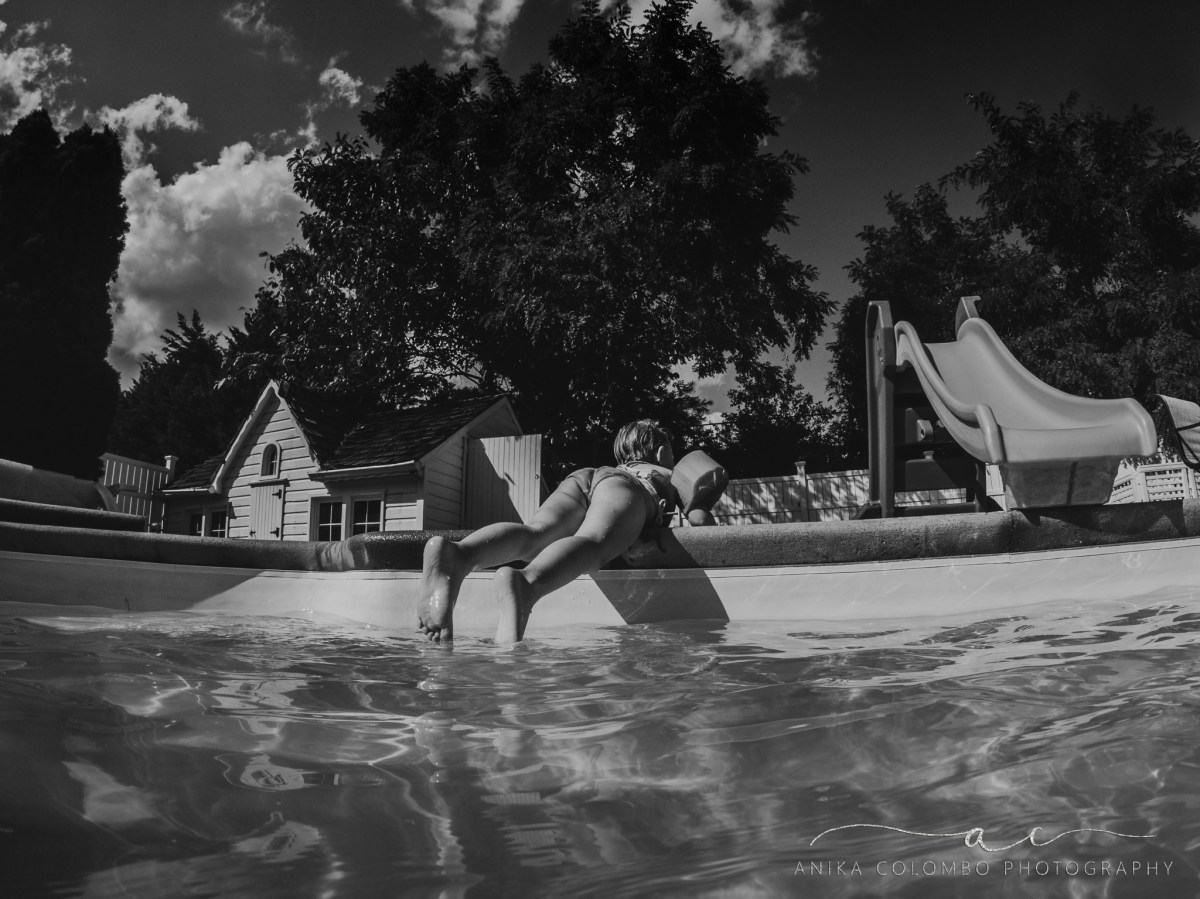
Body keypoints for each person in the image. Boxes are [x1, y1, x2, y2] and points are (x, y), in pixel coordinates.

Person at [417, 420, 724, 644]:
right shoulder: (667, 473)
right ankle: (528, 584)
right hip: (627, 490)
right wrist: (701, 502)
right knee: (592, 543)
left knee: (535, 533)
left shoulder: (616, 467)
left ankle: (460, 554)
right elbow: (701, 526)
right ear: (660, 453)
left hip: (583, 478)